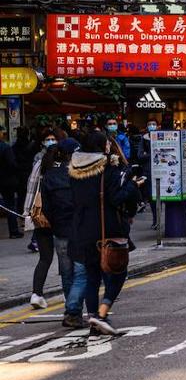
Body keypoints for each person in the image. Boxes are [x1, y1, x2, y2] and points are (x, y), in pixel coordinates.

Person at [63, 132, 141, 335]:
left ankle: (93, 321)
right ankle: (102, 314)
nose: (109, 145)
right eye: (106, 143)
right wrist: (133, 185)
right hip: (108, 228)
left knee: (91, 276)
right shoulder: (108, 169)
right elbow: (116, 199)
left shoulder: (73, 171)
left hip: (82, 230)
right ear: (101, 147)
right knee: (118, 271)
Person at [28, 140, 73, 310]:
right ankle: (67, 292)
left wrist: (27, 213)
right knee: (66, 259)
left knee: (45, 258)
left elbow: (31, 189)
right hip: (62, 219)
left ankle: (36, 293)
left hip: (42, 217)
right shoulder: (66, 170)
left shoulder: (41, 165)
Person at [0, 129, 23, 238]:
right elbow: (12, 164)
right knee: (10, 205)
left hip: (5, 179)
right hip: (6, 180)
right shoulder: (5, 147)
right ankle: (13, 231)